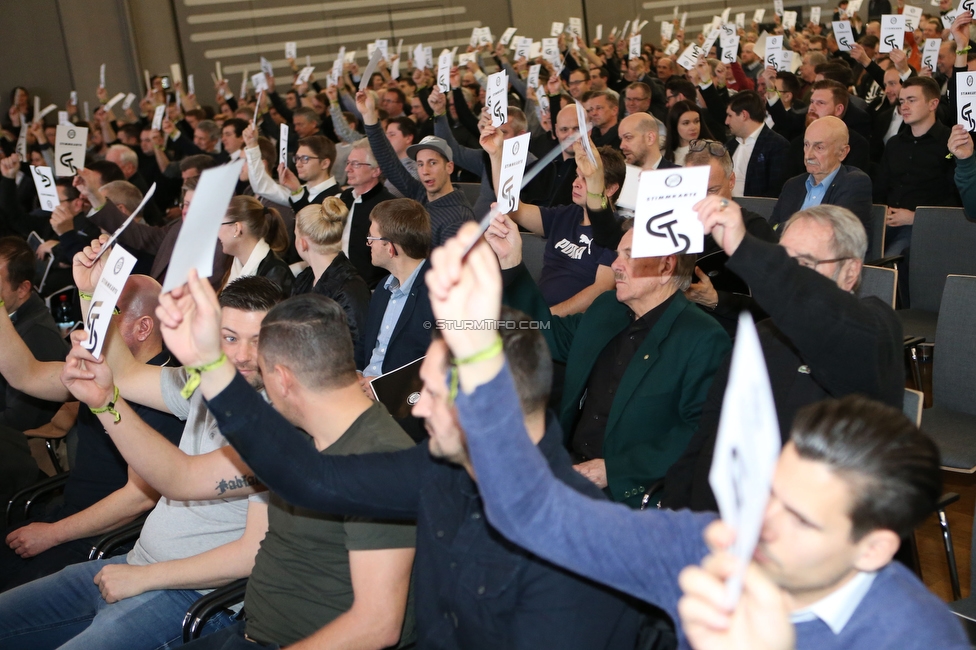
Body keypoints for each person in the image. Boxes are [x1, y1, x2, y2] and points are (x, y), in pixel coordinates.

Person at [422, 221, 969, 650]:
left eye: (800, 518)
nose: (760, 526)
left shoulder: (913, 636)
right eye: (770, 493)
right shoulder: (713, 548)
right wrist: (472, 342)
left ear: (873, 546)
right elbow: (537, 512)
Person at [156, 268, 648, 649]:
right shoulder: (434, 470)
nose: (419, 406)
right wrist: (212, 366)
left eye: (433, 392)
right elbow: (309, 478)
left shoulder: (577, 536)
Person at [85, 290, 418, 650]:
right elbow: (181, 477)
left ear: (282, 379)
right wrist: (106, 403)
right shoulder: (299, 437)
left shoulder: (378, 461)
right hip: (250, 632)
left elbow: (378, 626)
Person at [0, 272, 279, 650]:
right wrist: (96, 291)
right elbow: (125, 374)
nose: (243, 355)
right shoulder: (204, 379)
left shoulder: (282, 422)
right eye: (230, 338)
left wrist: (146, 577)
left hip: (188, 597)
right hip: (132, 563)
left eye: (258, 340)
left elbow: (252, 553)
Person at [483, 191, 731, 507]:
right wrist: (511, 262)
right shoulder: (607, 310)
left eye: (628, 255)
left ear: (666, 267)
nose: (615, 265)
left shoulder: (703, 338)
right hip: (567, 470)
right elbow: (543, 333)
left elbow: (698, 433)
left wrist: (611, 471)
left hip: (631, 494)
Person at [664, 201, 903, 512]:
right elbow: (709, 434)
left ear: (851, 271)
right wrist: (677, 517)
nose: (786, 280)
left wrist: (744, 247)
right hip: (720, 524)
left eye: (801, 265)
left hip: (813, 530)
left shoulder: (875, 329)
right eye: (784, 263)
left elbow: (824, 316)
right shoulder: (762, 336)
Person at [0, 275, 184, 592]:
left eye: (108, 312)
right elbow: (25, 374)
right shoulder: (101, 370)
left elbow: (138, 499)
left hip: (105, 539)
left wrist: (52, 533)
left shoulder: (164, 393)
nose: (93, 323)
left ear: (143, 328)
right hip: (68, 514)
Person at [485, 127, 623, 315]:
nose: (575, 183)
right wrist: (496, 155)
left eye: (586, 178)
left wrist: (547, 318)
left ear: (610, 189)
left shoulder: (616, 234)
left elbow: (600, 291)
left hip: (568, 324)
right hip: (537, 311)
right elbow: (511, 206)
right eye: (577, 175)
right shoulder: (564, 215)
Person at [359, 89, 475, 248]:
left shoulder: (459, 217)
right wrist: (369, 116)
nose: (425, 170)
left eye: (432, 163)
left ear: (449, 167)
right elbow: (389, 163)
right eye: (420, 164)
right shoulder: (422, 194)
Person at [873, 76, 959, 256]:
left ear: (933, 104)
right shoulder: (894, 143)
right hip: (886, 223)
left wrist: (915, 217)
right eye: (902, 101)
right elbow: (881, 187)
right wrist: (882, 212)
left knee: (890, 261)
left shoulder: (951, 143)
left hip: (926, 227)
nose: (904, 106)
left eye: (911, 100)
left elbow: (955, 198)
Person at [769, 117, 873, 250]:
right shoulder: (793, 185)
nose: (808, 155)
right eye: (806, 145)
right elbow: (771, 231)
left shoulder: (854, 183)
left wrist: (788, 228)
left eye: (819, 147)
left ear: (842, 152)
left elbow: (834, 238)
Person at [291, 198, 371, 346]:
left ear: (302, 243)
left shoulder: (351, 289)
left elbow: (356, 348)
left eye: (295, 234)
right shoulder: (305, 279)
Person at [244, 126, 342, 213]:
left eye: (305, 159)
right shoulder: (299, 191)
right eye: (297, 158)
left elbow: (313, 227)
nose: (298, 164)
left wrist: (297, 192)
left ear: (325, 163)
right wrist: (252, 146)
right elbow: (261, 186)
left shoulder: (339, 198)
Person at [218, 195, 292, 294]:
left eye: (219, 225)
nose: (217, 233)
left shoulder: (275, 273)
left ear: (237, 228)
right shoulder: (234, 263)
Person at [725, 91, 790, 198]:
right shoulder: (730, 145)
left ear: (744, 115)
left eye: (729, 115)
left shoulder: (777, 146)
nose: (726, 121)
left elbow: (776, 192)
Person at [665, 101, 715, 165]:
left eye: (696, 121)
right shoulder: (666, 155)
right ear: (675, 126)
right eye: (686, 123)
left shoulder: (711, 148)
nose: (693, 127)